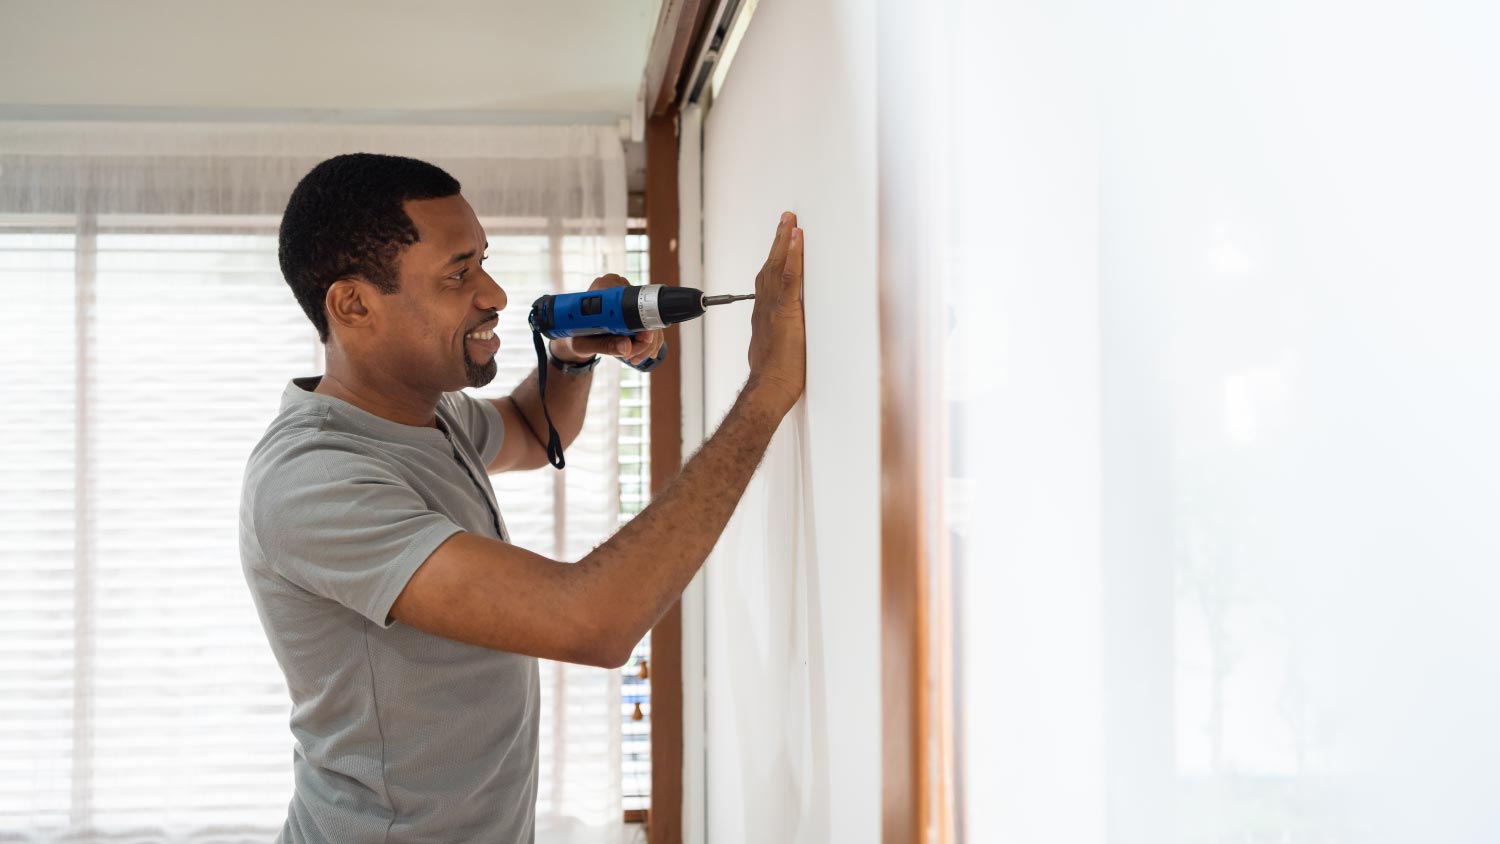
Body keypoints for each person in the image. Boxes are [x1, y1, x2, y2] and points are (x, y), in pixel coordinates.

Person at [239, 152, 805, 842]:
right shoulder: (318, 483)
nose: (496, 294)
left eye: (483, 261)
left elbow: (534, 433)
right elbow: (593, 621)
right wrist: (767, 391)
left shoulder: (424, 411)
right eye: (459, 274)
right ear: (353, 305)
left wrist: (568, 356)